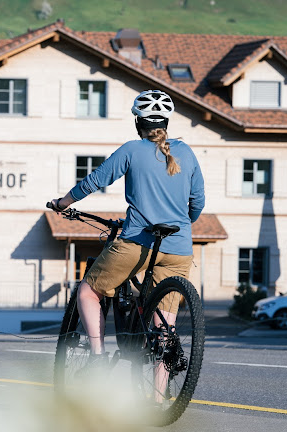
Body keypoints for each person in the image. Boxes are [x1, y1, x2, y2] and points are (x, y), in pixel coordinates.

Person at [49, 90, 205, 375]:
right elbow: (198, 203)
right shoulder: (187, 152)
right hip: (179, 248)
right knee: (164, 331)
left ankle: (97, 358)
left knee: (88, 291)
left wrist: (62, 203)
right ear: (167, 123)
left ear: (138, 122)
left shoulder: (132, 150)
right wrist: (183, 223)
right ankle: (159, 403)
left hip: (137, 242)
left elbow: (95, 180)